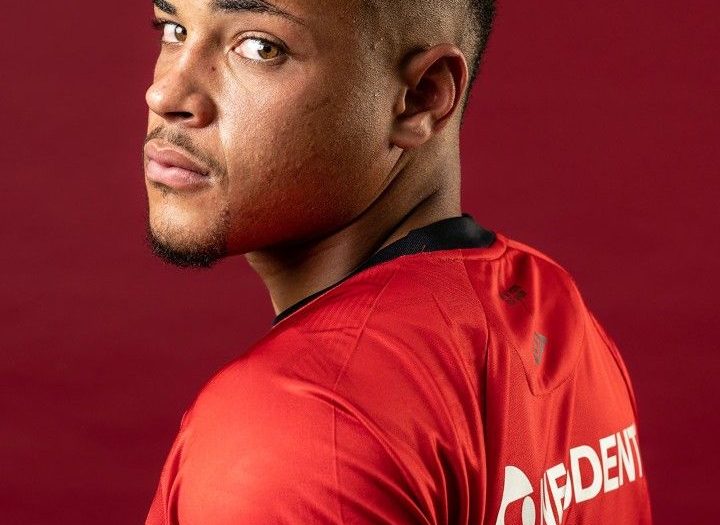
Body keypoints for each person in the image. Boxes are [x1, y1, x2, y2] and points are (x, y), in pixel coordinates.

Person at [142, 0, 652, 523]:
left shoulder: (299, 421)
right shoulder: (554, 310)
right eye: (174, 28)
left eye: (260, 47)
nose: (165, 95)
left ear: (420, 98)